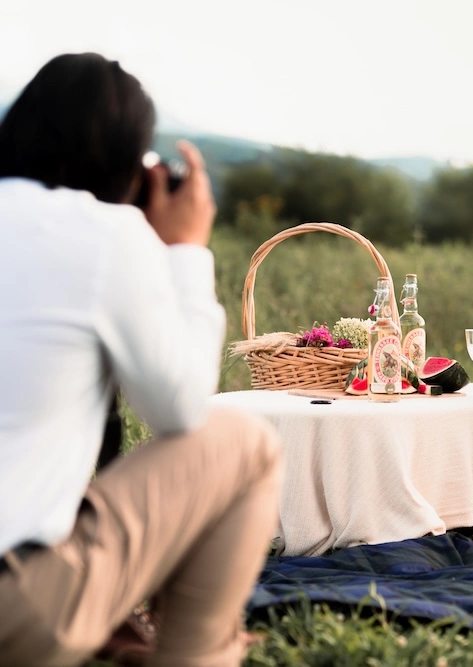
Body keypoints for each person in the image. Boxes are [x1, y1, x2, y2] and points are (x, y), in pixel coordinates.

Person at [0, 53, 284, 665]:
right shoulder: (104, 234)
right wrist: (185, 250)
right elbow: (178, 410)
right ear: (131, 165)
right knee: (247, 443)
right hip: (14, 603)